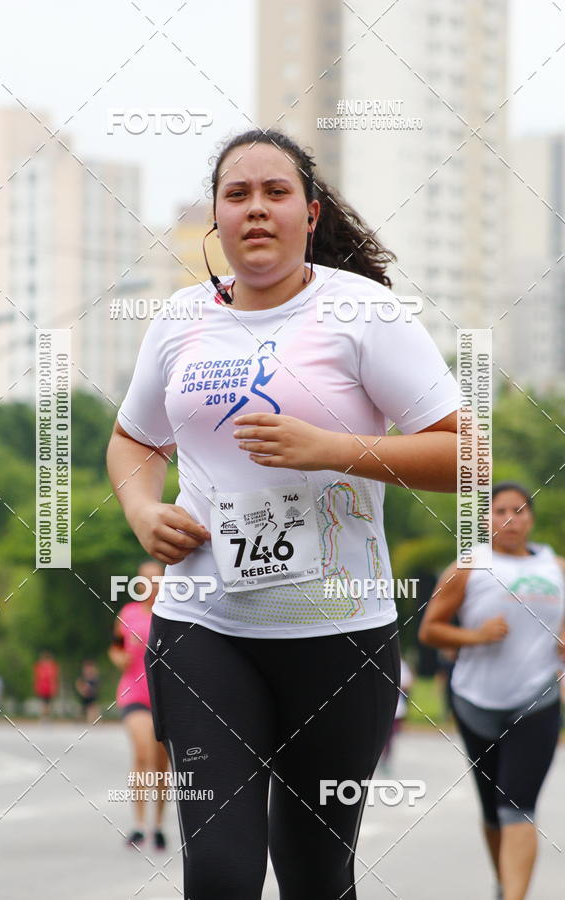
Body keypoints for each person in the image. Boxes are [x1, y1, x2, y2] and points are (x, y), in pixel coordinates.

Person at [107, 128, 459, 899]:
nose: (256, 209)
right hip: (204, 625)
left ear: (311, 212)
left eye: (276, 193)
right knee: (223, 876)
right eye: (238, 195)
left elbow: (468, 455)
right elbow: (134, 438)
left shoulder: (366, 313)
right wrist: (141, 507)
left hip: (339, 639)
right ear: (217, 219)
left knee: (314, 875)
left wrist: (332, 449)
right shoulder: (179, 319)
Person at [419, 482, 565, 900]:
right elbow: (430, 630)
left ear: (531, 517)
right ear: (487, 520)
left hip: (537, 697)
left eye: (518, 511)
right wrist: (478, 636)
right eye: (500, 511)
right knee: (492, 809)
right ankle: (505, 884)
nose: (510, 519)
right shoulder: (468, 566)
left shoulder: (557, 567)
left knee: (518, 805)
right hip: (476, 701)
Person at [108, 559, 171, 850]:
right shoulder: (128, 614)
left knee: (161, 765)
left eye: (156, 579)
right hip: (134, 694)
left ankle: (157, 826)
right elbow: (116, 649)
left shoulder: (173, 612)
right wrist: (122, 656)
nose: (150, 585)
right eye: (145, 579)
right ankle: (137, 825)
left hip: (166, 696)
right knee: (143, 753)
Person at [33, 651, 60, 719]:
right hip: (44, 688)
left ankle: (46, 717)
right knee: (45, 704)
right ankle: (45, 717)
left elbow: (53, 678)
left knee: (47, 704)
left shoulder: (50, 666)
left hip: (47, 688)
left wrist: (53, 687)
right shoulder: (42, 666)